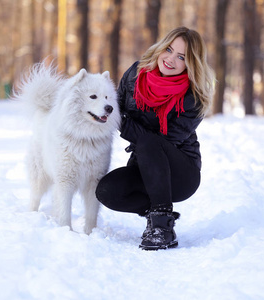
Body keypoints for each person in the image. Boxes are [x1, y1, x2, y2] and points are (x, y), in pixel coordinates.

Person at [95, 27, 215, 250]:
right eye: (168, 50)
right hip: (145, 166)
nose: (170, 59)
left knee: (149, 140)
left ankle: (162, 227)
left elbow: (161, 140)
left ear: (191, 64)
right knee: (107, 191)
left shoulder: (193, 98)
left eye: (181, 57)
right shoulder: (135, 74)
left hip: (180, 174)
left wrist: (121, 121)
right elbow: (114, 108)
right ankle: (159, 213)